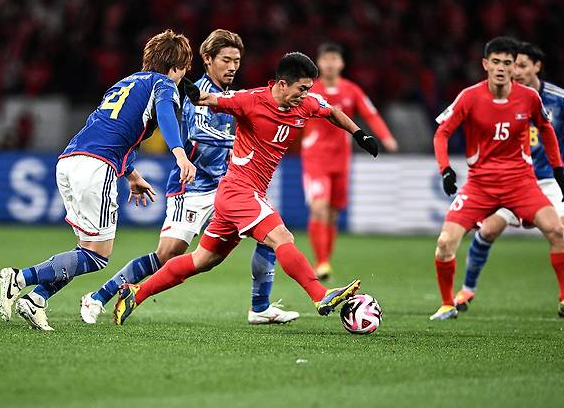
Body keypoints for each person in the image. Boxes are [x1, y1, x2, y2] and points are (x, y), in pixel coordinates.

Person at [113, 52, 380, 325]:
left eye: (308, 89)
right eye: (301, 89)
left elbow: (333, 111)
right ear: (282, 84)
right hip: (239, 192)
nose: (305, 94)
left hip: (241, 194)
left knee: (202, 260)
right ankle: (319, 294)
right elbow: (207, 99)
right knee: (281, 237)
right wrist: (183, 84)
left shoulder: (306, 104)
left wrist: (360, 134)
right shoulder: (250, 100)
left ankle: (135, 293)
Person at [79, 29, 299, 325]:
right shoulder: (196, 93)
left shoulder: (232, 96)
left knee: (272, 234)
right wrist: (237, 142)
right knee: (167, 254)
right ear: (207, 60)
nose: (233, 66)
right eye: (226, 59)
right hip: (191, 188)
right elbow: (197, 133)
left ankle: (260, 307)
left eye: (237, 60)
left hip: (227, 186)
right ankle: (98, 297)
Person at [0, 29, 198, 331]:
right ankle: (20, 277)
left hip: (70, 159)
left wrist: (132, 175)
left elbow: (117, 132)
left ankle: (36, 300)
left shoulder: (124, 84)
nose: (185, 75)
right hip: (95, 167)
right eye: (185, 68)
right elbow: (167, 117)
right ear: (177, 66)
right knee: (97, 256)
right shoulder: (164, 84)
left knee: (83, 249)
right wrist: (180, 154)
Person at [454, 42, 564, 314]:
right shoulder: (501, 97)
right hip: (513, 180)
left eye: (521, 65)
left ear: (537, 67)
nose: (514, 71)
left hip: (550, 181)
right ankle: (467, 290)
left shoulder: (559, 98)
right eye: (512, 65)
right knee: (488, 230)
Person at [430, 36, 564, 321]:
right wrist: (445, 168)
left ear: (515, 67)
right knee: (444, 243)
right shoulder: (469, 97)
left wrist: (558, 168)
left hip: (521, 183)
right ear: (485, 64)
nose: (502, 68)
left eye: (508, 63)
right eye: (497, 62)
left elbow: (547, 130)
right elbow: (442, 132)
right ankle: (447, 304)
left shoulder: (528, 98)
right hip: (480, 185)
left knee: (557, 231)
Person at [301, 42, 398, 280]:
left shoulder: (351, 90)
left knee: (333, 213)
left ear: (341, 63)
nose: (330, 64)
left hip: (341, 160)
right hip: (315, 158)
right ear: (319, 63)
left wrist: (386, 137)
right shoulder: (310, 90)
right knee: (319, 207)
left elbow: (370, 114)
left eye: (334, 59)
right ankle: (321, 262)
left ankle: (326, 261)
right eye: (326, 59)